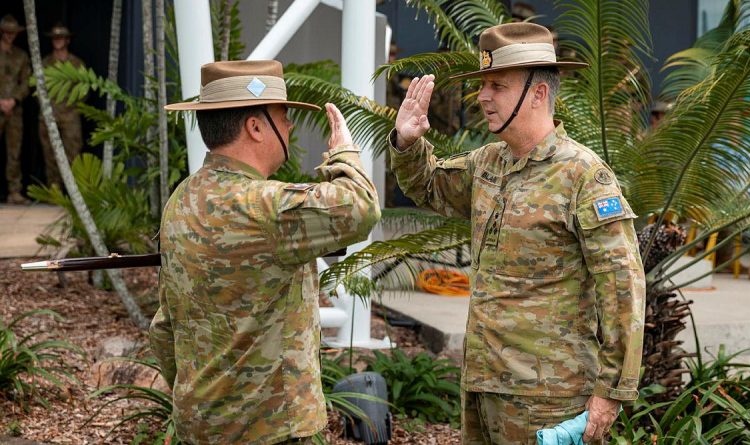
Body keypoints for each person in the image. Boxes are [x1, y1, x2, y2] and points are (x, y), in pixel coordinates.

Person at [388, 23, 645, 444]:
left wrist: (611, 392)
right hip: (483, 384)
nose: (483, 96)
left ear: (538, 94)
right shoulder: (488, 162)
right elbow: (430, 186)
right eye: (483, 85)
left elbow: (622, 286)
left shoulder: (583, 176)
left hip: (548, 397)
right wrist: (408, 141)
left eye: (497, 86)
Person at [150, 60, 381, 444]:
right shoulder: (263, 206)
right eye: (284, 115)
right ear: (255, 127)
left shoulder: (182, 198)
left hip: (200, 426)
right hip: (273, 428)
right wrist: (344, 153)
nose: (290, 126)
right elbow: (361, 208)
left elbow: (163, 327)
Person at [39, 23, 85, 188]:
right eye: (54, 38)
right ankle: (54, 189)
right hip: (49, 114)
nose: (57, 41)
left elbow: (84, 90)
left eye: (60, 38)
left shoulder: (76, 64)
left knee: (73, 152)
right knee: (50, 154)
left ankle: (75, 192)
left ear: (67, 40)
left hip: (70, 115)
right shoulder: (44, 63)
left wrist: (71, 107)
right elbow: (37, 88)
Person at [0, 14, 31, 204]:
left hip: (14, 110)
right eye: (7, 32)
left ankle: (14, 191)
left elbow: (26, 82)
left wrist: (13, 100)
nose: (10, 35)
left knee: (14, 151)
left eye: (14, 33)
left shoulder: (21, 56)